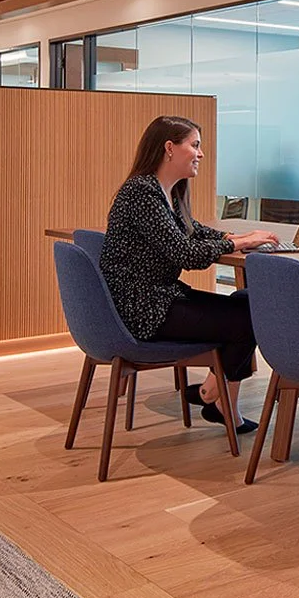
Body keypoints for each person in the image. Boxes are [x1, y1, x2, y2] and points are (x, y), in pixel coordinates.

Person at [99, 115, 277, 432]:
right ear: (170, 148)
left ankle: (214, 393)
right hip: (143, 309)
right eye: (194, 145)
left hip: (155, 298)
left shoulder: (165, 191)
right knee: (249, 317)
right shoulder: (142, 193)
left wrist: (235, 239)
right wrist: (240, 242)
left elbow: (191, 233)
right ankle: (218, 399)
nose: (201, 154)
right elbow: (185, 253)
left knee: (249, 303)